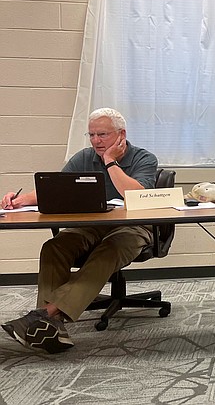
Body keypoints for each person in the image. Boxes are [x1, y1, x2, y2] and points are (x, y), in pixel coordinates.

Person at [1, 107, 158, 353]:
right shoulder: (83, 157)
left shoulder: (144, 158)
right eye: (92, 135)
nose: (96, 141)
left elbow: (135, 195)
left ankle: (42, 315)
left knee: (109, 250)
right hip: (92, 225)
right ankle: (51, 327)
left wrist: (110, 162)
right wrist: (21, 201)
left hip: (133, 227)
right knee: (54, 247)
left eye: (103, 135)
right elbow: (56, 190)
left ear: (121, 135)